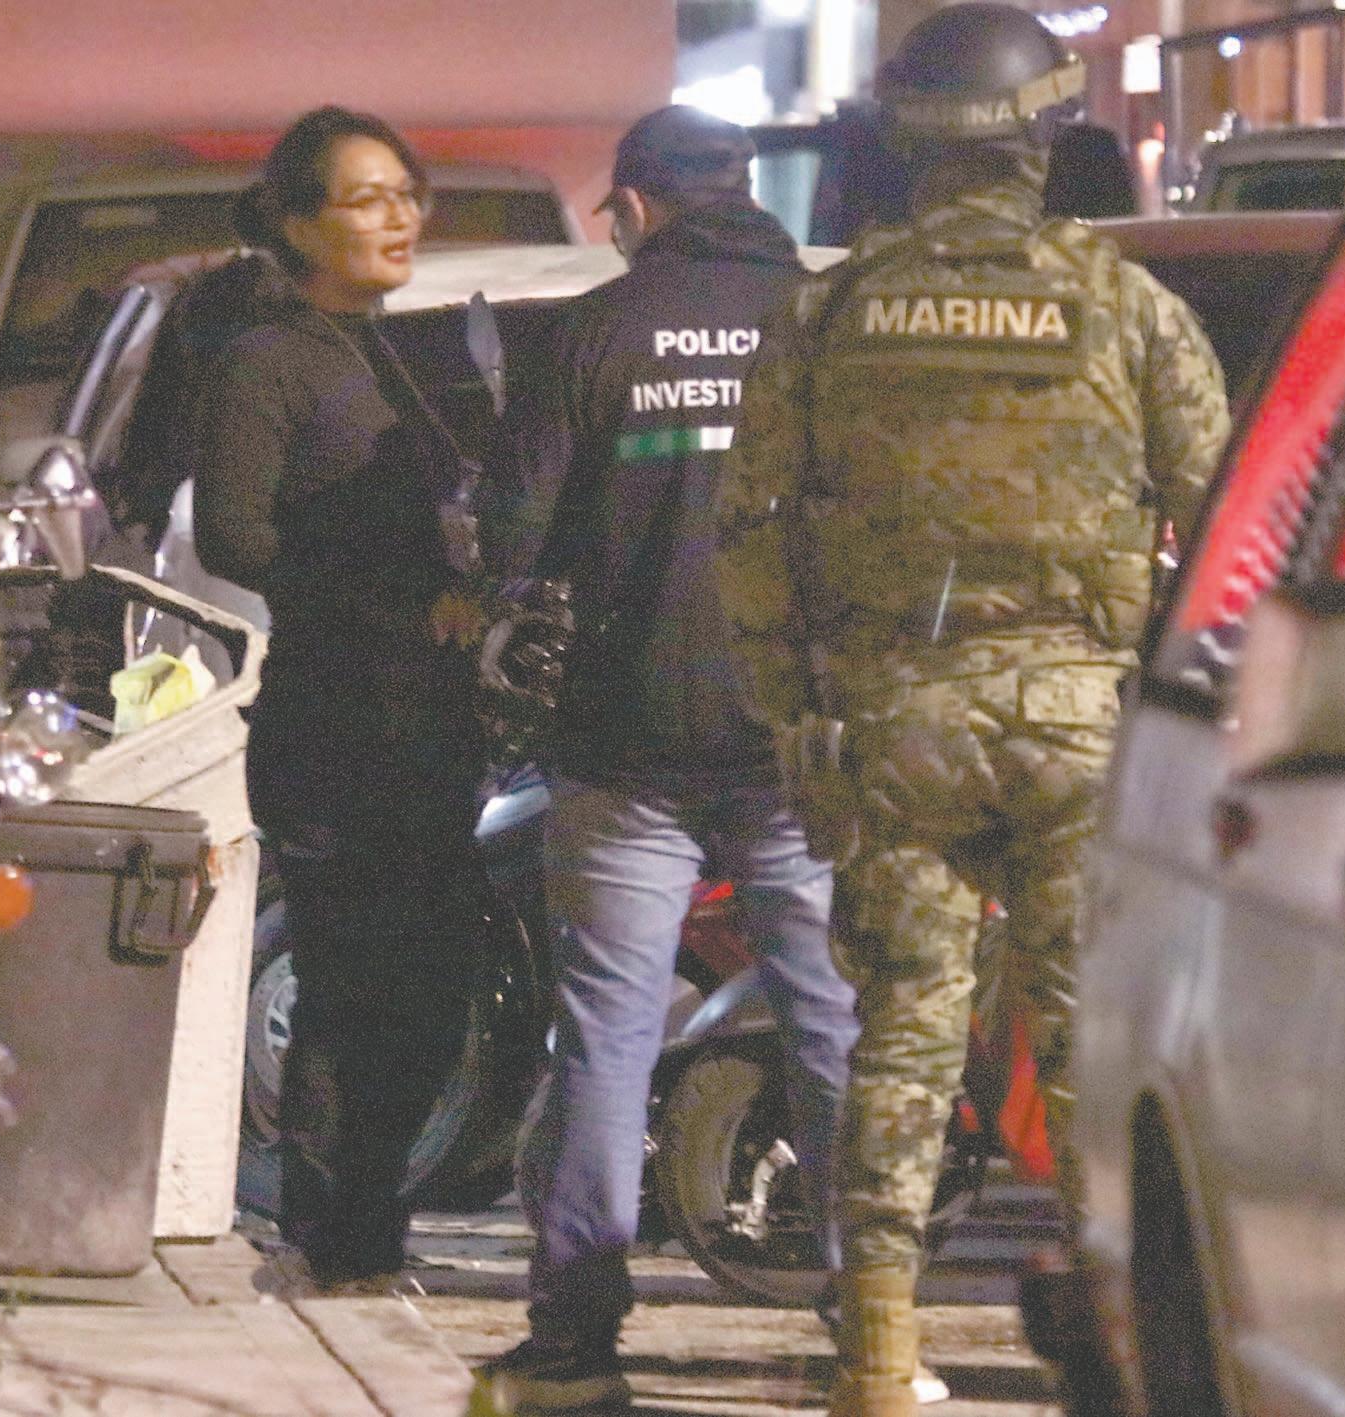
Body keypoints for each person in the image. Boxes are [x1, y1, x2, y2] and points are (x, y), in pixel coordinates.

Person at [712, 8, 1231, 1414]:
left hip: (893, 726)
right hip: (1078, 724)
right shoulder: (1122, 306)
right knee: (1088, 1048)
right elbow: (1222, 527)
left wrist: (796, 713)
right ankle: (1118, 1354)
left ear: (902, 140)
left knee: (900, 1033)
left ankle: (876, 1357)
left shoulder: (828, 310)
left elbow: (749, 532)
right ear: (1045, 136)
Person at [467, 106, 860, 1416]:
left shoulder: (592, 332)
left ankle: (575, 1335)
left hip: (625, 740)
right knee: (830, 1019)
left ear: (634, 207)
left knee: (604, 1032)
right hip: (799, 741)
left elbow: (514, 538)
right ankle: (874, 1318)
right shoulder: (827, 325)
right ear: (745, 191)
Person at [186, 105, 487, 1294]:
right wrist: (391, 601)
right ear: (301, 224)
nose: (398, 217)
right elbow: (232, 534)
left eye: (407, 193)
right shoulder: (266, 360)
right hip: (334, 717)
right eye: (367, 199)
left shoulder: (398, 352)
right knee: (353, 986)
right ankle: (329, 1238)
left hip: (430, 718)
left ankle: (368, 1227)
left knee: (429, 991)